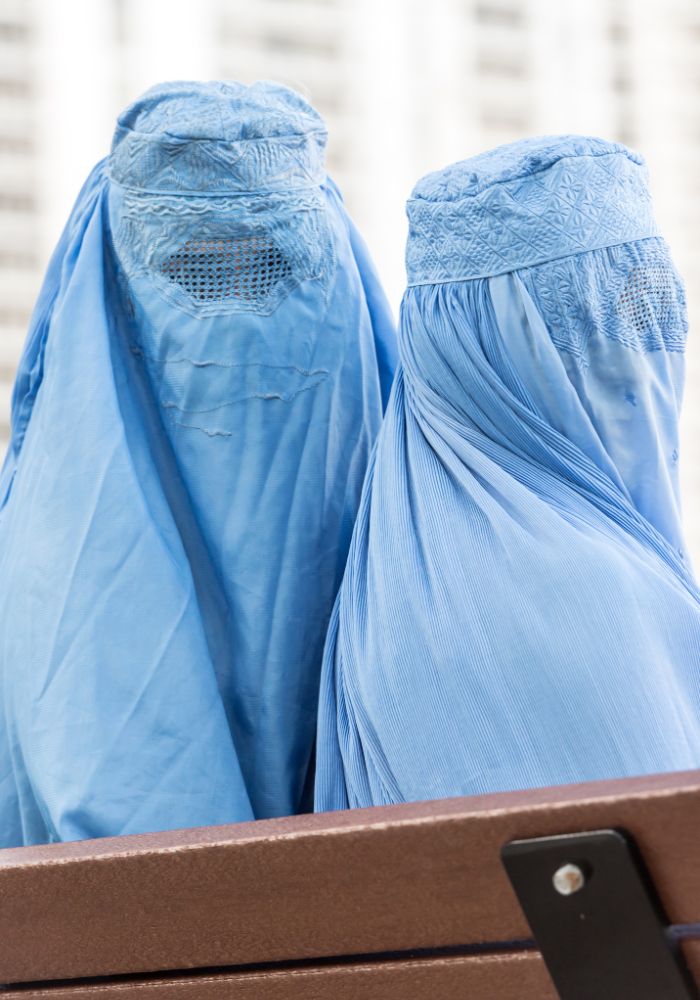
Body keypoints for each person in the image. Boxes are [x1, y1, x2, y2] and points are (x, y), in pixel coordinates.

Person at [0, 80, 396, 846]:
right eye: (195, 274)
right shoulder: (31, 588)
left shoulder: (444, 553)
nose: (236, 316)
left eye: (274, 268)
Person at [315, 135, 700, 812]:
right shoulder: (578, 586)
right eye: (590, 317)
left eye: (654, 305)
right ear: (485, 352)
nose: (645, 345)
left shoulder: (399, 557)